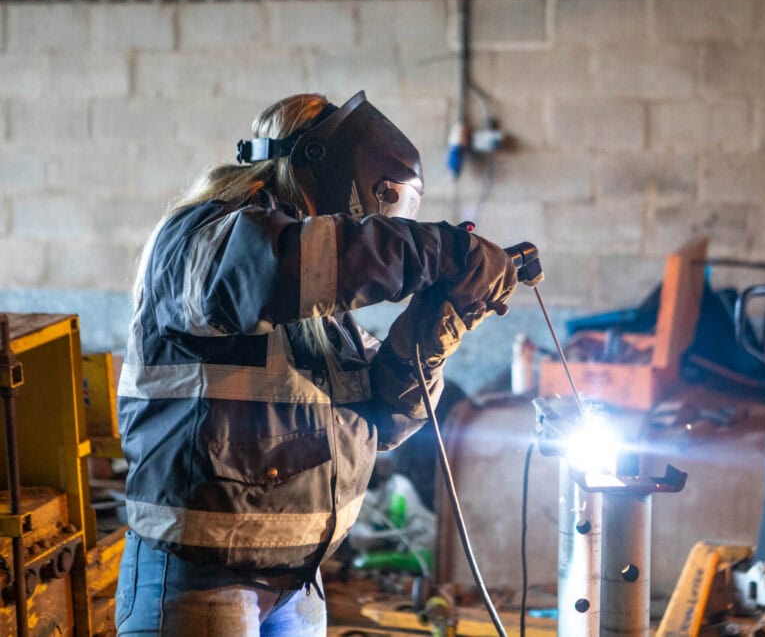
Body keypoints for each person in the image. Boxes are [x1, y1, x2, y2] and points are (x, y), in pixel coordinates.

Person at [114, 91, 517, 636]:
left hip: (299, 581)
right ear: (326, 169)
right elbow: (268, 272)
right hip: (200, 578)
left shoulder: (324, 308)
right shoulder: (203, 240)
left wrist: (441, 314)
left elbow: (389, 417)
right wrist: (440, 251)